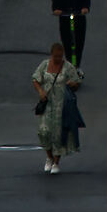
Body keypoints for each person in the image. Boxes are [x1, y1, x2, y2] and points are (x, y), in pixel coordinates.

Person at [33, 39, 83, 175]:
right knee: (44, 131)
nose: (58, 59)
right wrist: (41, 91)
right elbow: (36, 79)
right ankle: (49, 157)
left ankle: (56, 162)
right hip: (48, 104)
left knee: (59, 134)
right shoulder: (44, 65)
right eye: (56, 56)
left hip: (62, 105)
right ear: (51, 55)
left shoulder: (67, 67)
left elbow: (77, 83)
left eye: (60, 57)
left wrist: (73, 84)